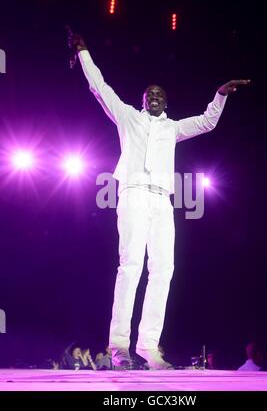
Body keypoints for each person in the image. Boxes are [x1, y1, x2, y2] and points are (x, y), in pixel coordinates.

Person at [68, 32, 250, 370]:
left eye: (159, 94)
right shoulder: (128, 118)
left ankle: (149, 345)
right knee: (131, 266)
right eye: (149, 93)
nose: (154, 96)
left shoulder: (175, 128)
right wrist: (83, 52)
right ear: (142, 100)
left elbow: (208, 121)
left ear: (166, 102)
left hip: (163, 202)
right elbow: (100, 87)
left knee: (164, 270)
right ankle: (119, 344)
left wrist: (220, 94)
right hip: (134, 195)